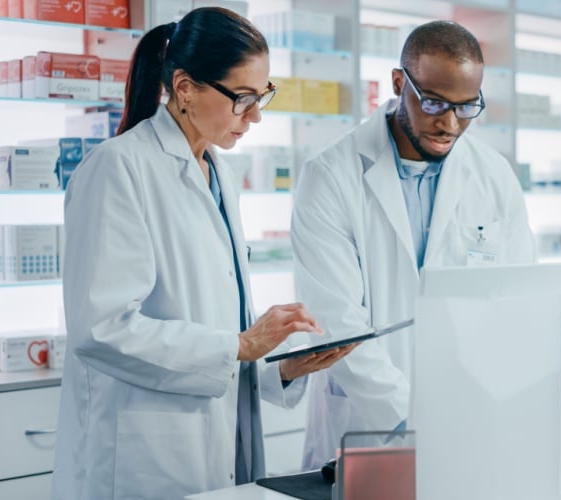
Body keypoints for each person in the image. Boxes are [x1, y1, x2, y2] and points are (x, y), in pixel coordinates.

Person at [51, 8, 354, 499]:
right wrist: (238, 346)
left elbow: (212, 327)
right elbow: (101, 330)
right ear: (186, 87)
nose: (256, 115)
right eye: (243, 98)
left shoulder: (218, 171)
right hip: (143, 458)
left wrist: (279, 367)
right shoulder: (117, 169)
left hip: (215, 440)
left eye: (264, 95)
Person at [291, 20, 537, 468]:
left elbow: (517, 300)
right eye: (433, 103)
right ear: (399, 83)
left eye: (466, 107)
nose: (449, 123)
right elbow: (338, 322)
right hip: (367, 426)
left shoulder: (493, 175)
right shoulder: (330, 175)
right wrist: (414, 420)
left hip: (471, 418)